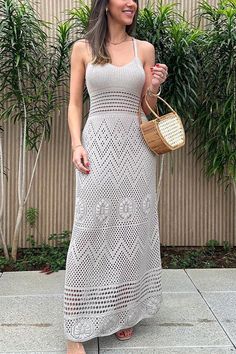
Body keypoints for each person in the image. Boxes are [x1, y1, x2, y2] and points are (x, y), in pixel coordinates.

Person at [64, 0, 168, 353]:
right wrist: (77, 143)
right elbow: (75, 103)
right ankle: (75, 326)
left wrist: (154, 85)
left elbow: (146, 109)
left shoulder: (145, 49)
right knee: (89, 230)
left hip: (136, 152)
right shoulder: (82, 48)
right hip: (97, 148)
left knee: (130, 230)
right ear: (105, 4)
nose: (132, 3)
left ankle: (123, 312)